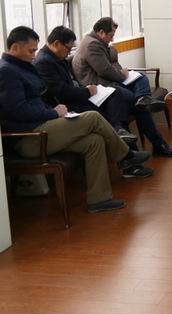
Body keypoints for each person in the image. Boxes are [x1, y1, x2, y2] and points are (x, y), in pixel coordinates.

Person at [0, 26, 151, 213]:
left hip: (43, 128)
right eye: (31, 51)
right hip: (30, 137)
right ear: (15, 47)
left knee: (94, 141)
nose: (34, 55)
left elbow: (38, 99)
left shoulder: (22, 67)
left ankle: (99, 200)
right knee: (93, 118)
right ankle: (126, 155)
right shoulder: (6, 72)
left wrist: (55, 111)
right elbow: (17, 111)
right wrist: (54, 113)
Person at [72, 17, 172, 158]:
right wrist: (122, 75)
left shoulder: (97, 42)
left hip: (109, 82)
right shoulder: (92, 45)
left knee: (141, 78)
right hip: (100, 87)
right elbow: (104, 71)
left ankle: (143, 99)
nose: (112, 40)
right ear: (101, 32)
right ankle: (156, 145)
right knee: (139, 106)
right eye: (111, 36)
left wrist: (121, 72)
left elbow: (108, 66)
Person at [34, 26, 137, 144]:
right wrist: (87, 92)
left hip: (77, 95)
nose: (69, 53)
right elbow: (61, 91)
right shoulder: (44, 62)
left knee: (116, 93)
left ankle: (120, 130)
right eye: (68, 49)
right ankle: (121, 139)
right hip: (67, 104)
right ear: (57, 44)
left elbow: (72, 83)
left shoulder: (57, 58)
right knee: (104, 112)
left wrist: (87, 89)